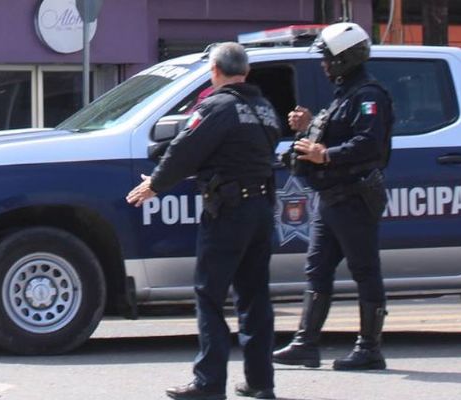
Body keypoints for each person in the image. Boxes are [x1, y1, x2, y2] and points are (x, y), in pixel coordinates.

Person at [126, 42, 282, 400]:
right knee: (255, 296)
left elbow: (185, 149)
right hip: (261, 209)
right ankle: (261, 382)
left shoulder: (216, 106)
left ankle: (209, 382)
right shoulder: (264, 108)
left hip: (229, 211)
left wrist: (154, 185)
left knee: (210, 295)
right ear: (246, 72)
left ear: (214, 71)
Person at [272, 22, 394, 371]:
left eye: (328, 58)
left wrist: (324, 155)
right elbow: (336, 132)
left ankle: (369, 349)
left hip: (354, 196)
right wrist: (309, 126)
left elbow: (368, 143)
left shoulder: (368, 96)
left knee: (364, 269)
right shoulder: (345, 94)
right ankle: (305, 344)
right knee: (317, 267)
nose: (324, 64)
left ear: (345, 59)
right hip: (331, 197)